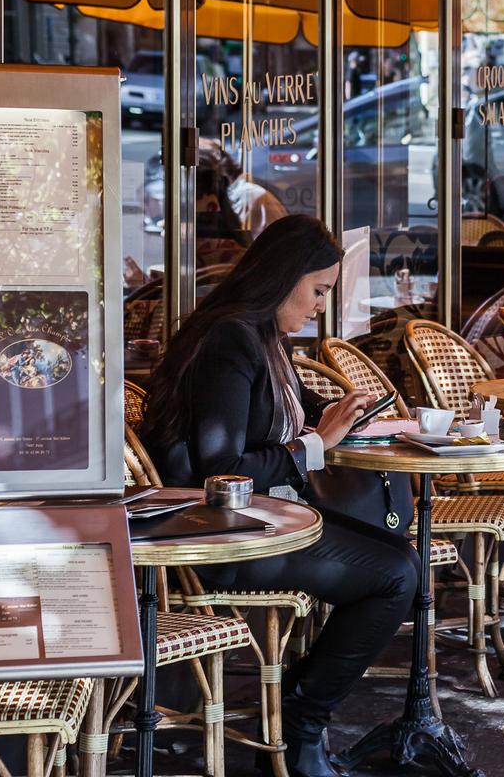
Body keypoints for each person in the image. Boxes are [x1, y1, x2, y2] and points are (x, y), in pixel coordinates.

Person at [140, 216, 417, 777]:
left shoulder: (264, 336)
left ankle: (296, 708)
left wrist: (345, 416)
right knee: (396, 576)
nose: (320, 306)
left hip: (262, 521)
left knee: (403, 558)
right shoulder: (228, 340)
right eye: (318, 290)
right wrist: (317, 443)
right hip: (217, 537)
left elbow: (299, 412)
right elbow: (223, 471)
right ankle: (300, 722)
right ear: (284, 277)